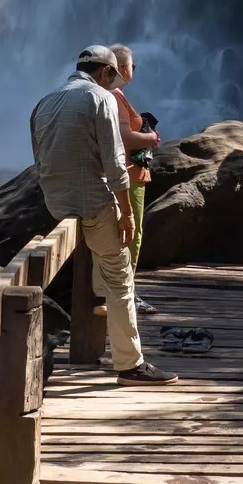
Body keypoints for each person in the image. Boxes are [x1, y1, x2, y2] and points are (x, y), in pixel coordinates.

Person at [29, 44, 177, 385]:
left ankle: (93, 310)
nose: (119, 80)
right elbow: (113, 163)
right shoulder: (102, 98)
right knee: (120, 276)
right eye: (116, 74)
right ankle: (130, 365)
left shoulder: (45, 101)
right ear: (106, 72)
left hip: (57, 204)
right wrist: (126, 213)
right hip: (93, 204)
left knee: (100, 260)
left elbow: (39, 158)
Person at [103, 44, 161, 271]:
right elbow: (125, 136)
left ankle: (108, 292)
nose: (133, 70)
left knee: (118, 233)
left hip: (122, 172)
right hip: (129, 174)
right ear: (123, 69)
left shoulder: (108, 95)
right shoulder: (115, 96)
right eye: (132, 65)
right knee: (131, 232)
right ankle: (127, 289)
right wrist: (152, 139)